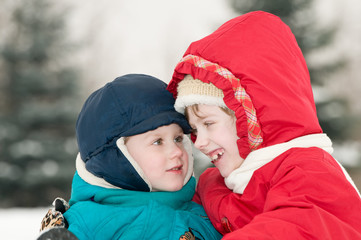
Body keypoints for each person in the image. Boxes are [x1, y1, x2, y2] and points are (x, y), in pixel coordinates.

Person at [167, 11, 361, 239]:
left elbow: (298, 227)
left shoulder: (309, 171)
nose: (199, 142)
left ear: (251, 118)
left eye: (209, 123)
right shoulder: (213, 187)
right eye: (195, 130)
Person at [39, 74, 222, 240]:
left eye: (178, 138)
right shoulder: (91, 222)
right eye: (158, 142)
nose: (177, 151)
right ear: (116, 158)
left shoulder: (207, 210)